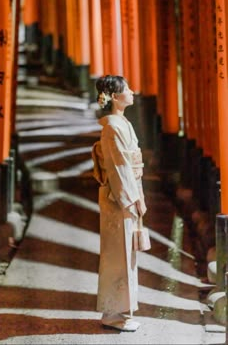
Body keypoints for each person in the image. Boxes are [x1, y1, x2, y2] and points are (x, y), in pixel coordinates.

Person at [92, 74, 147, 332]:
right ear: (115, 96)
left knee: (126, 254)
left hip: (126, 195)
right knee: (118, 255)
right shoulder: (113, 127)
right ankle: (112, 314)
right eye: (127, 89)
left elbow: (129, 165)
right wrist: (131, 199)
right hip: (119, 199)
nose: (133, 91)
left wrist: (138, 196)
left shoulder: (121, 123)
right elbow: (118, 168)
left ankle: (121, 312)